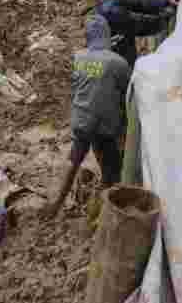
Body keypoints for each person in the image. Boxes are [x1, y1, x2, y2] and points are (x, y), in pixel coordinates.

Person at [44, 16, 131, 216]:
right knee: (112, 171)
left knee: (74, 161)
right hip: (104, 125)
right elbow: (127, 93)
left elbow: (81, 83)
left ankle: (55, 205)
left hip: (81, 120)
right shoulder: (118, 62)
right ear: (107, 35)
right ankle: (102, 211)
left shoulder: (78, 57)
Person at [92, 0, 176, 70]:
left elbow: (140, 3)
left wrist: (165, 2)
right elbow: (143, 24)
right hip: (118, 64)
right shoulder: (112, 11)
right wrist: (167, 15)